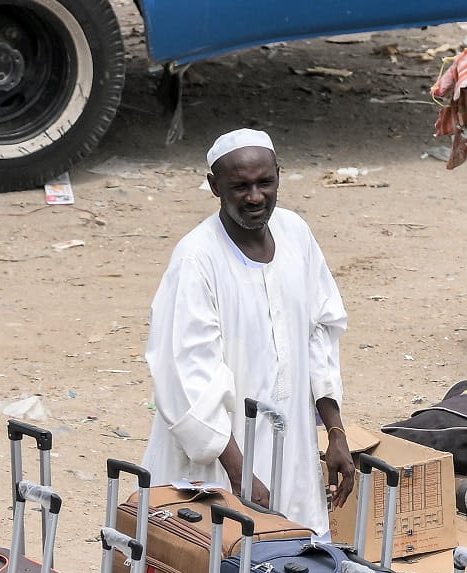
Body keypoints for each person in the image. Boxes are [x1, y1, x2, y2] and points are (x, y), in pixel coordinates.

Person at [143, 128, 354, 534]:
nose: (255, 197)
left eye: (264, 183)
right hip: (220, 459)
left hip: (290, 446)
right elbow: (187, 375)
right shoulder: (196, 259)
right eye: (240, 186)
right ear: (214, 186)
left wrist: (336, 432)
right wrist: (239, 473)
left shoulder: (295, 234)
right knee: (216, 566)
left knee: (292, 566)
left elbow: (320, 333)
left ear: (279, 176)